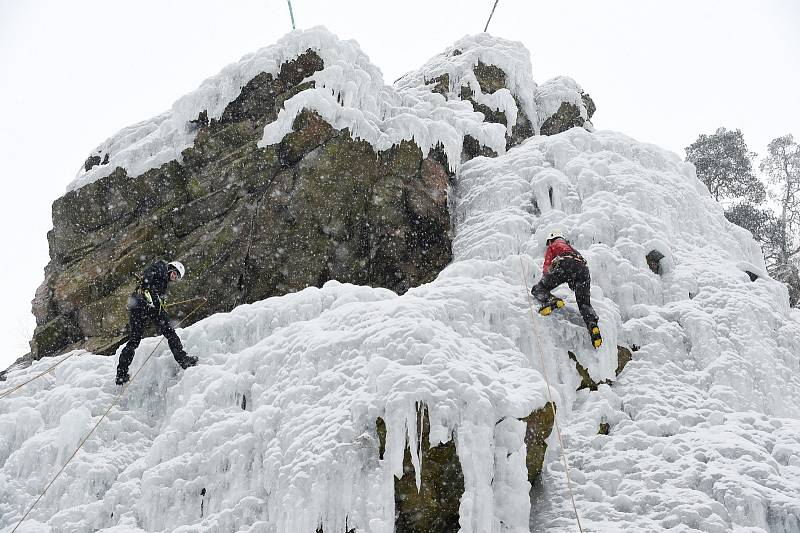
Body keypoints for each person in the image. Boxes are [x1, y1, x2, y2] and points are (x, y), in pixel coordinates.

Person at [116, 260, 198, 385]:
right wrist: (149, 287)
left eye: (177, 278)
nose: (175, 278)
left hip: (143, 306)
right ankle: (183, 359)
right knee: (164, 333)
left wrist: (158, 302)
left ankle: (121, 375)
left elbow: (155, 292)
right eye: (175, 274)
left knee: (136, 340)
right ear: (171, 268)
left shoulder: (164, 284)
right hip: (143, 303)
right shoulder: (161, 267)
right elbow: (148, 275)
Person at [531, 229, 603, 349]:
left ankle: (551, 300)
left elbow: (547, 265)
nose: (549, 245)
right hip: (583, 269)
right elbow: (576, 272)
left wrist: (545, 279)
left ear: (551, 239)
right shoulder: (572, 249)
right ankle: (592, 325)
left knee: (538, 289)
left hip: (565, 264)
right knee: (585, 304)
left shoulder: (553, 246)